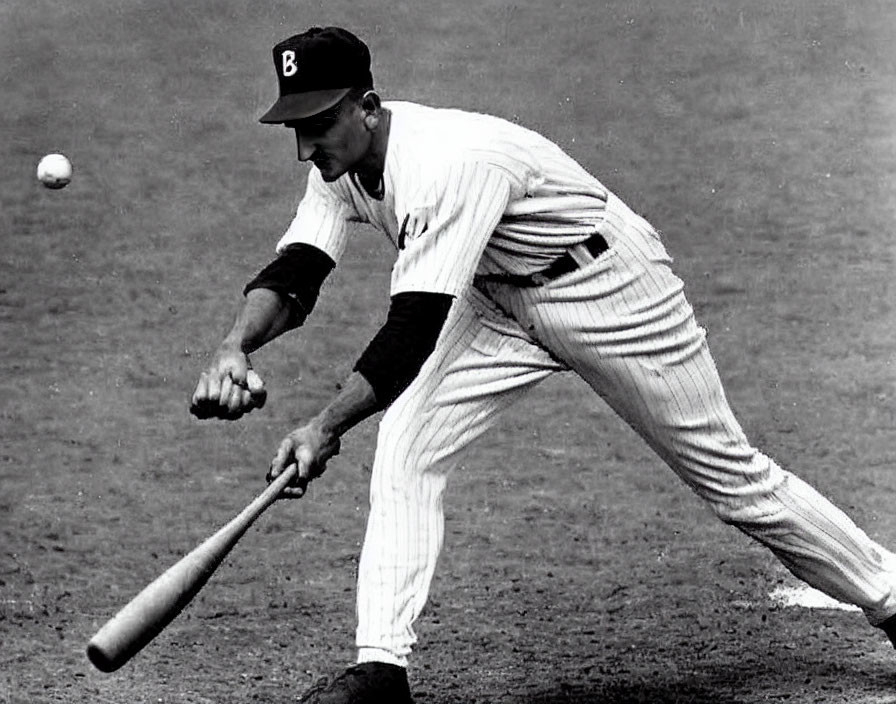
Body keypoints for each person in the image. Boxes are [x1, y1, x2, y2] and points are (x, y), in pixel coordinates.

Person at [190, 25, 896, 703]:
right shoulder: (336, 165)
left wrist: (324, 426)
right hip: (499, 299)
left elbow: (410, 332)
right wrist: (235, 346)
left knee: (732, 480)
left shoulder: (445, 163)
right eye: (295, 127)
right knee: (407, 447)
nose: (306, 145)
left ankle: (890, 596)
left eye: (320, 121)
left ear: (369, 107)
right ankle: (380, 669)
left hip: (608, 288)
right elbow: (297, 272)